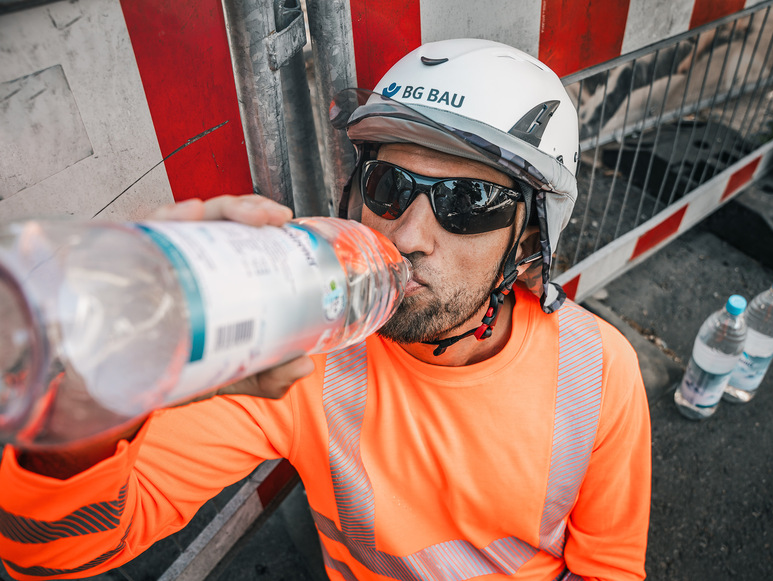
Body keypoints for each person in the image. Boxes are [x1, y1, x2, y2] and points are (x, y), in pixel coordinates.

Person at [0, 39, 651, 580]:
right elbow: (52, 551)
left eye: (469, 200)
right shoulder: (307, 356)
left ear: (530, 236)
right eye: (388, 186)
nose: (409, 235)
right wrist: (99, 398)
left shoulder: (596, 371)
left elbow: (609, 568)